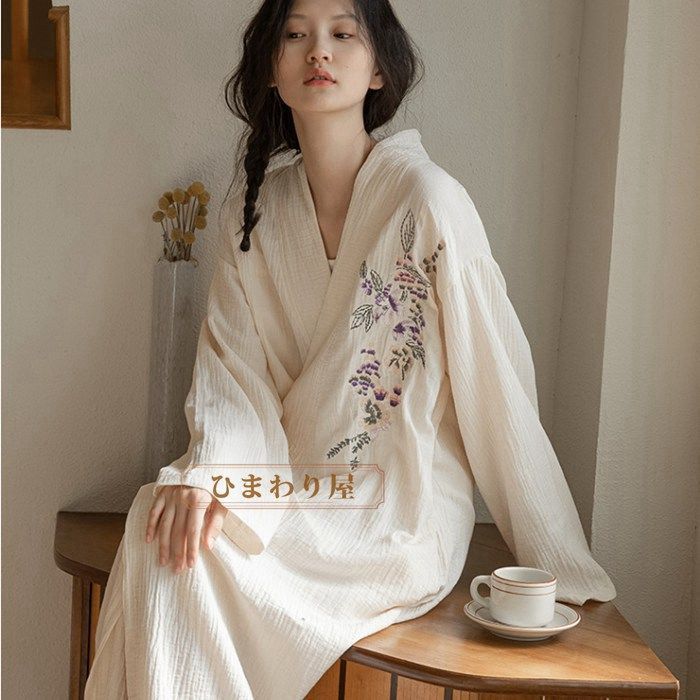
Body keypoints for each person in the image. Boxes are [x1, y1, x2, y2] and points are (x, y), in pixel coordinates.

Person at [85, 0, 617, 697]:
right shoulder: (253, 211)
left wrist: (554, 554)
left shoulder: (429, 200)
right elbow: (232, 375)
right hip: (287, 487)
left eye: (342, 34)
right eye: (296, 35)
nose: (319, 51)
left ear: (378, 69)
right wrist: (210, 479)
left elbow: (496, 385)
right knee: (161, 526)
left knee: (188, 556)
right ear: (271, 67)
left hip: (396, 510)